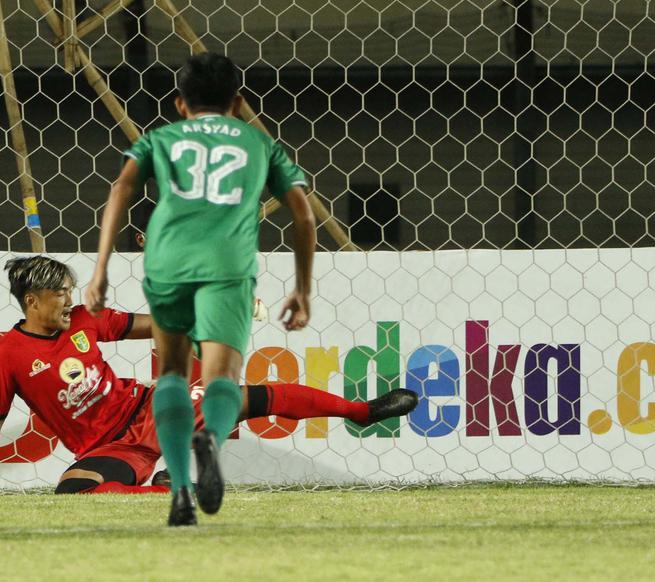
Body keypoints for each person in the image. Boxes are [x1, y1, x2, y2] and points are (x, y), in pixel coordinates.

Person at [85, 52, 414, 525]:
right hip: (227, 267)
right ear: (238, 102)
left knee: (173, 375)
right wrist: (303, 288)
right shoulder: (260, 144)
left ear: (180, 104)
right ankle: (211, 439)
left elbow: (121, 189)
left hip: (168, 265)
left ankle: (180, 490)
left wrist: (101, 269)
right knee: (222, 380)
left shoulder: (161, 138)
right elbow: (303, 216)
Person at [0, 256, 416, 497]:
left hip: (151, 410)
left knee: (244, 397)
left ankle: (361, 411)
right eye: (60, 295)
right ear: (32, 301)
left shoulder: (85, 320)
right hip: (108, 448)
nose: (69, 301)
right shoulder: (8, 356)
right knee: (74, 491)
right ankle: (169, 490)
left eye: (70, 292)